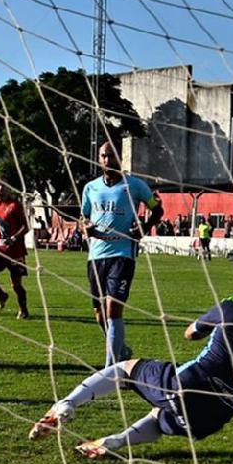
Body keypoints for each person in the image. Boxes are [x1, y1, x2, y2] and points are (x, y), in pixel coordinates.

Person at [28, 266, 233, 458]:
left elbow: (190, 333)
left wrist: (230, 310)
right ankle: (115, 442)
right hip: (215, 418)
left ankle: (67, 403)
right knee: (160, 418)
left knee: (125, 368)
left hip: (189, 386)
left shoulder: (231, 307)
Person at [82, 140, 164, 367]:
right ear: (99, 159)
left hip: (123, 254)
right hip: (96, 256)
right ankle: (122, 350)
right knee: (100, 315)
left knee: (112, 309)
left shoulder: (135, 186)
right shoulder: (90, 188)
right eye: (103, 156)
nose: (108, 160)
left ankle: (110, 368)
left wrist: (143, 228)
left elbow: (157, 209)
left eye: (111, 156)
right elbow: (84, 217)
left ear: (120, 158)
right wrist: (86, 227)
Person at [0, 177, 30, 319]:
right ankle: (2, 296)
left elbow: (26, 226)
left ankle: (23, 310)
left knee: (16, 285)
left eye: (4, 185)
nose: (1, 188)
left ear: (9, 188)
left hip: (15, 251)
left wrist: (14, 238)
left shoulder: (15, 205)